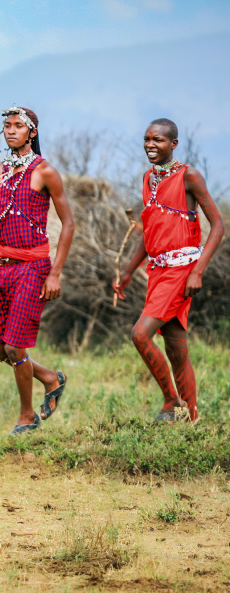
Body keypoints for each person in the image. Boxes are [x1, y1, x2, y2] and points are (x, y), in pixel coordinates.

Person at [0, 106, 74, 434]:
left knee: (15, 347)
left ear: (32, 132)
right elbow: (3, 222)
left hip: (33, 267)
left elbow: (68, 224)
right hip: (1, 268)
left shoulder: (45, 172)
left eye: (17, 126)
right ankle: (48, 377)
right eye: (6, 126)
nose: (10, 131)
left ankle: (27, 416)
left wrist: (55, 273)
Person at [113, 118, 224, 422]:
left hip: (182, 270)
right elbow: (149, 235)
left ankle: (171, 402)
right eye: (147, 139)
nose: (151, 145)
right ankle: (192, 420)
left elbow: (218, 225)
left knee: (139, 334)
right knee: (177, 350)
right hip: (157, 272)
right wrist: (127, 271)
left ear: (173, 144)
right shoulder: (148, 178)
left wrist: (198, 270)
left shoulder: (190, 177)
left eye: (158, 140)